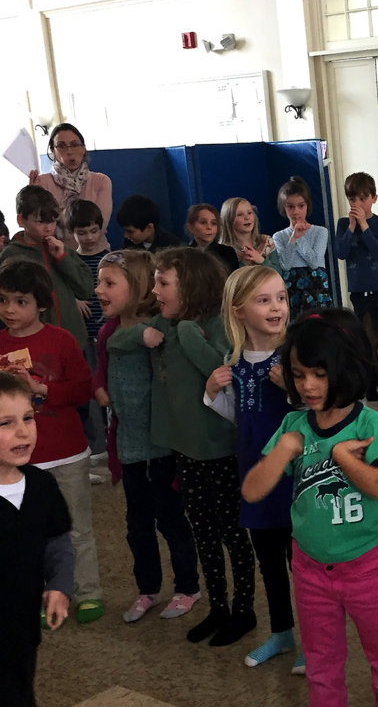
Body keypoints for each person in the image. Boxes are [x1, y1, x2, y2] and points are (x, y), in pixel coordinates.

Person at [242, 308, 378, 707]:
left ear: (347, 368)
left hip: (364, 568)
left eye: (319, 374)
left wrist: (341, 457)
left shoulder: (370, 425)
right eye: (299, 374)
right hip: (309, 570)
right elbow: (252, 490)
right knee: (321, 664)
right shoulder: (293, 426)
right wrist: (284, 449)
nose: (308, 385)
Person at [107, 246, 257, 646]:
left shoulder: (214, 324)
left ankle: (244, 609)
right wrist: (141, 333)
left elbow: (221, 370)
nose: (155, 291)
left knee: (232, 535)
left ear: (190, 286)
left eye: (164, 283)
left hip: (219, 451)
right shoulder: (162, 322)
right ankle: (218, 606)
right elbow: (114, 343)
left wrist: (189, 333)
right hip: (184, 451)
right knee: (203, 534)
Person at [203, 266, 304, 672]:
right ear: (238, 310)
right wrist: (212, 391)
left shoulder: (293, 358)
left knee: (303, 567)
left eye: (281, 298)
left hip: (295, 482)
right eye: (264, 300)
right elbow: (242, 419)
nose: (277, 307)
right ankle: (281, 632)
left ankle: (315, 639)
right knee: (270, 564)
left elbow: (316, 415)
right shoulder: (235, 362)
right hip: (255, 482)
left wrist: (291, 389)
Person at [94, 250, 200, 623]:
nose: (99, 290)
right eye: (99, 282)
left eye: (109, 283)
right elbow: (106, 357)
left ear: (138, 287)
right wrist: (99, 388)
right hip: (129, 447)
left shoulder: (160, 327)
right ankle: (148, 589)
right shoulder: (110, 331)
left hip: (162, 447)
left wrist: (143, 333)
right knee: (137, 526)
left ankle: (188, 586)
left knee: (171, 521)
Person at [0, 259, 103, 624]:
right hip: (16, 460)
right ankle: (47, 597)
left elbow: (82, 389)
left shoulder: (61, 340)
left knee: (76, 528)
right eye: (3, 300)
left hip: (66, 453)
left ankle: (87, 592)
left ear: (41, 303)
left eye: (20, 301)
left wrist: (41, 388)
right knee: (28, 534)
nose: (9, 309)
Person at [0, 371, 73, 707]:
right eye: (5, 423)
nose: (22, 431)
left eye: (28, 418)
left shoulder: (41, 486)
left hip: (22, 627)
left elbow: (57, 540)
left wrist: (59, 585)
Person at [1, 185, 94, 349]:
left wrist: (62, 259)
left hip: (73, 339)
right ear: (21, 220)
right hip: (33, 343)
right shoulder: (12, 254)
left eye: (52, 221)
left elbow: (86, 289)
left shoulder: (61, 249)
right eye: (40, 221)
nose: (48, 228)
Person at [334, 172, 378, 399]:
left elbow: (377, 250)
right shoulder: (343, 224)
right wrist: (351, 227)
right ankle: (369, 387)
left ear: (373, 198)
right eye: (352, 199)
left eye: (362, 198)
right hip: (359, 290)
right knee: (363, 339)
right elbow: (341, 253)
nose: (357, 204)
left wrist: (363, 224)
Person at [68, 200, 111, 464]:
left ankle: (112, 440)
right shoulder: (70, 261)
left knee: (111, 388)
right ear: (72, 233)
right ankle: (97, 445)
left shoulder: (111, 258)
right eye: (82, 233)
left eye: (94, 231)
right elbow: (65, 289)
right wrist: (73, 300)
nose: (89, 237)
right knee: (91, 393)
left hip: (109, 335)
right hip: (86, 337)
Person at [28, 122, 113, 245]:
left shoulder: (101, 181)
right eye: (61, 146)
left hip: (96, 250)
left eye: (75, 145)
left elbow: (100, 225)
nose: (69, 151)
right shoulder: (42, 182)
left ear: (83, 149)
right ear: (53, 151)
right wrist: (31, 196)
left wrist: (58, 215)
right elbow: (42, 227)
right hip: (57, 251)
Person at [272, 176, 332, 313]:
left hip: (316, 289)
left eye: (301, 206)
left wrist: (300, 238)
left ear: (307, 206)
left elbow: (314, 263)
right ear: (283, 207)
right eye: (290, 207)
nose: (296, 211)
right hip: (293, 290)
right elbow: (285, 265)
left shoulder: (320, 232)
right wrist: (293, 238)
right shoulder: (279, 236)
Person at [219, 197, 278, 270]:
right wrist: (243, 263)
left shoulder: (267, 242)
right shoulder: (223, 250)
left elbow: (278, 273)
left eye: (249, 213)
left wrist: (261, 261)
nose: (247, 217)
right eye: (240, 215)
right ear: (228, 220)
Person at [116, 195, 182, 253]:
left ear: (149, 228)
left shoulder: (173, 247)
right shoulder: (129, 244)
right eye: (125, 230)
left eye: (130, 231)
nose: (125, 235)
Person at [185, 203, 238, 273]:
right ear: (191, 227)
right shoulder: (185, 254)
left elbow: (234, 278)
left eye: (214, 223)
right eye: (203, 222)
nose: (209, 227)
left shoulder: (227, 252)